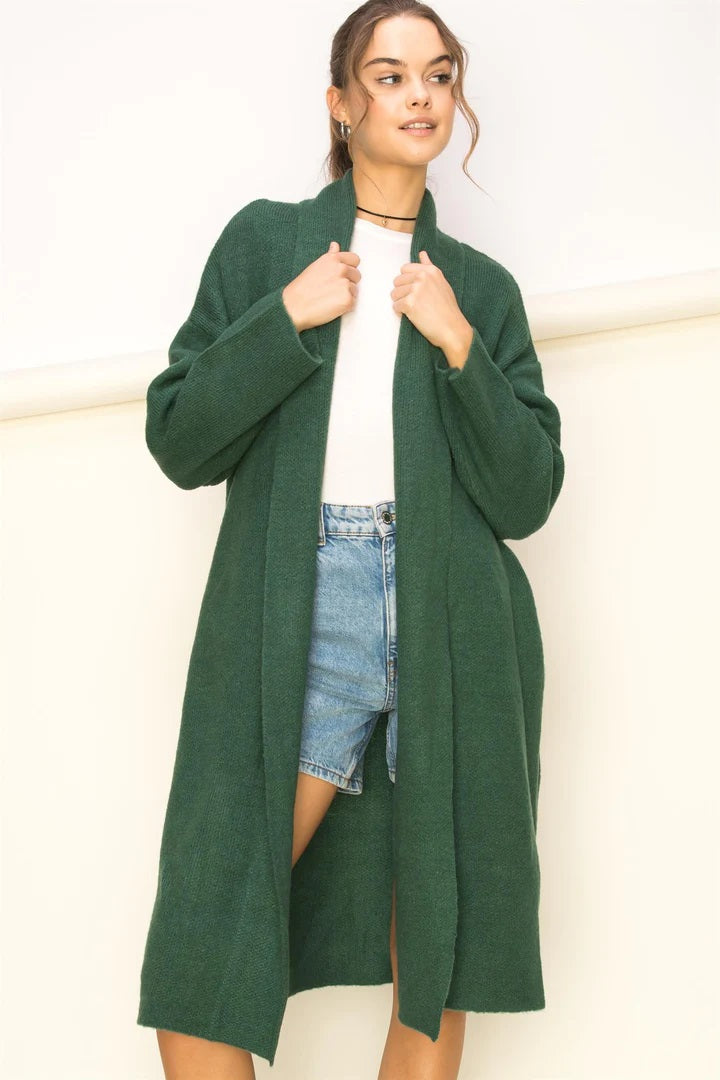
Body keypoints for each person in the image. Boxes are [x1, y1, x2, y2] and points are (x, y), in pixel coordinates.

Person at [141, 3, 565, 1078]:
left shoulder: (480, 290)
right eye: (389, 74)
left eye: (439, 73)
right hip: (306, 600)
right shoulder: (268, 243)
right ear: (341, 102)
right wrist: (282, 316)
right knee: (209, 928)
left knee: (437, 946)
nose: (420, 94)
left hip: (452, 613)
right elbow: (181, 439)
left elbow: (527, 495)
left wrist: (460, 344)